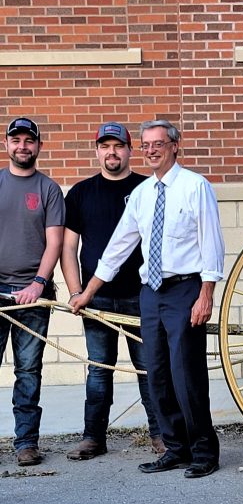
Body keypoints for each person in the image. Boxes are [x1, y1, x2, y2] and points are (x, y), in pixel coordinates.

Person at [71, 119, 224, 478]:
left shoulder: (195, 187)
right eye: (146, 145)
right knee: (154, 373)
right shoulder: (141, 194)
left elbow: (212, 245)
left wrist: (206, 295)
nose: (151, 150)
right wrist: (87, 292)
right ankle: (176, 449)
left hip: (185, 289)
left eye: (158, 143)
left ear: (175, 145)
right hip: (150, 294)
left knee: (186, 374)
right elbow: (118, 247)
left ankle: (204, 452)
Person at [61, 122, 164, 461]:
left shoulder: (147, 188)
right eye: (105, 146)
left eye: (118, 146)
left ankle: (161, 437)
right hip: (96, 297)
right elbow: (68, 247)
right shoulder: (80, 193)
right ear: (97, 151)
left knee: (149, 368)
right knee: (98, 372)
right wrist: (78, 292)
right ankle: (93, 438)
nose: (112, 152)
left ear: (129, 150)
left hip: (140, 296)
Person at [0, 117, 65, 466]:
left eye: (29, 141)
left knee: (28, 371)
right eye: (16, 140)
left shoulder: (48, 189)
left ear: (39, 146)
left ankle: (26, 443)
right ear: (7, 144)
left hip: (33, 296)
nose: (22, 146)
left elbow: (54, 242)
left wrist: (37, 284)